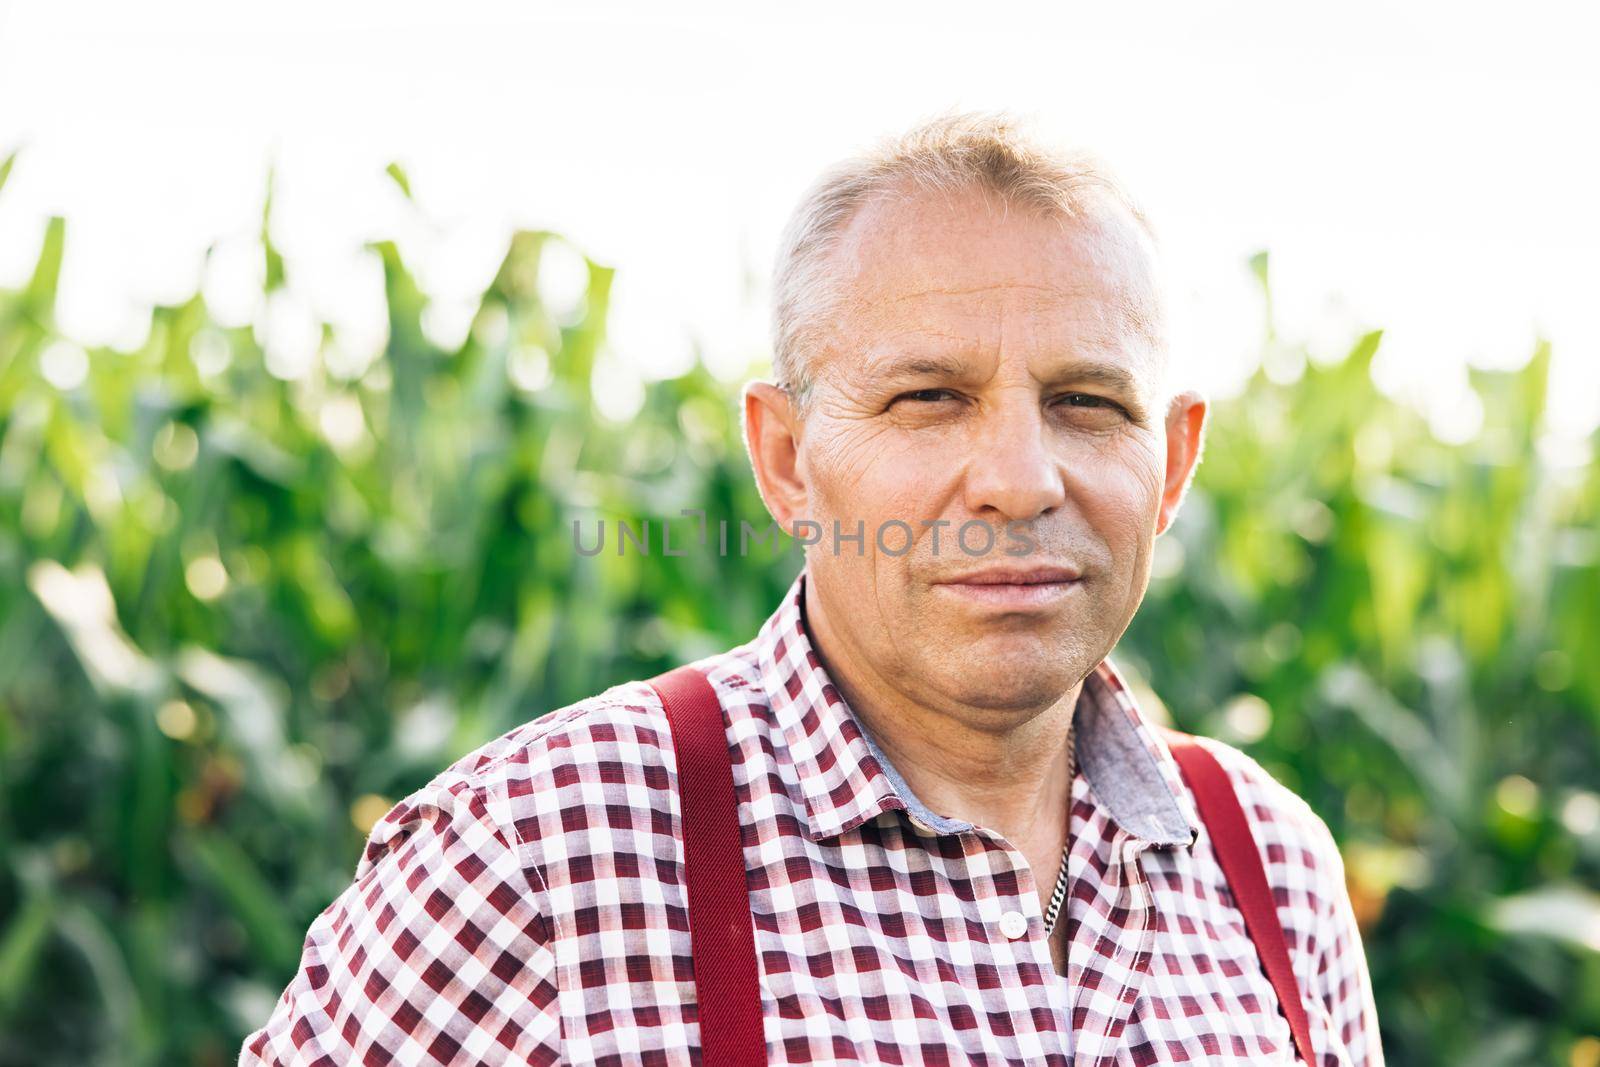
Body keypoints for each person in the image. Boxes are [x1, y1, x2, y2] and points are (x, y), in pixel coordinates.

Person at [242, 109, 1383, 1065]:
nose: (1021, 479)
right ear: (787, 459)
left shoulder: (1270, 864)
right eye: (928, 397)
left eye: (1088, 401)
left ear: (1173, 463)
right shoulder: (536, 856)